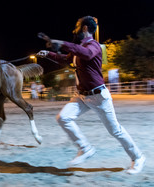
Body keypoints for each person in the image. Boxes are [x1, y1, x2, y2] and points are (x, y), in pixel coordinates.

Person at [36, 16, 145, 174]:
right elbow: (66, 59)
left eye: (78, 26)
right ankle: (85, 148)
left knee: (115, 131)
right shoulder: (79, 47)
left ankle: (138, 157)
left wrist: (63, 43)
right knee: (63, 118)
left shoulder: (93, 45)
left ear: (85, 28)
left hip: (98, 97)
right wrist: (48, 54)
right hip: (81, 96)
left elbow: (86, 54)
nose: (75, 29)